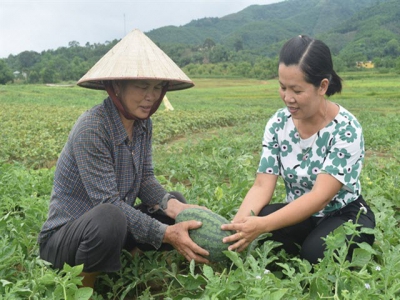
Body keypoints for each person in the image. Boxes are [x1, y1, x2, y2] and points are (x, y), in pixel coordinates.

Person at [38, 29, 209, 289]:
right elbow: (108, 203)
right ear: (116, 86)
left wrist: (176, 208)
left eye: (156, 88)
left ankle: (127, 271)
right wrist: (166, 235)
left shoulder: (143, 124)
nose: (150, 97)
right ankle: (85, 290)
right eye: (142, 87)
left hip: (112, 228)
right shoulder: (92, 128)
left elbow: (145, 180)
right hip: (66, 240)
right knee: (109, 217)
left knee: (174, 203)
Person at [221, 35, 375, 264]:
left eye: (297, 90)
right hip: (300, 214)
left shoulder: (346, 129)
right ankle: (307, 241)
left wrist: (263, 226)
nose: (288, 98)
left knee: (314, 254)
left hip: (344, 213)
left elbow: (320, 198)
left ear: (322, 86)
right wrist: (235, 230)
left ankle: (319, 245)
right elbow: (262, 185)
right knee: (259, 220)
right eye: (282, 87)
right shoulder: (278, 123)